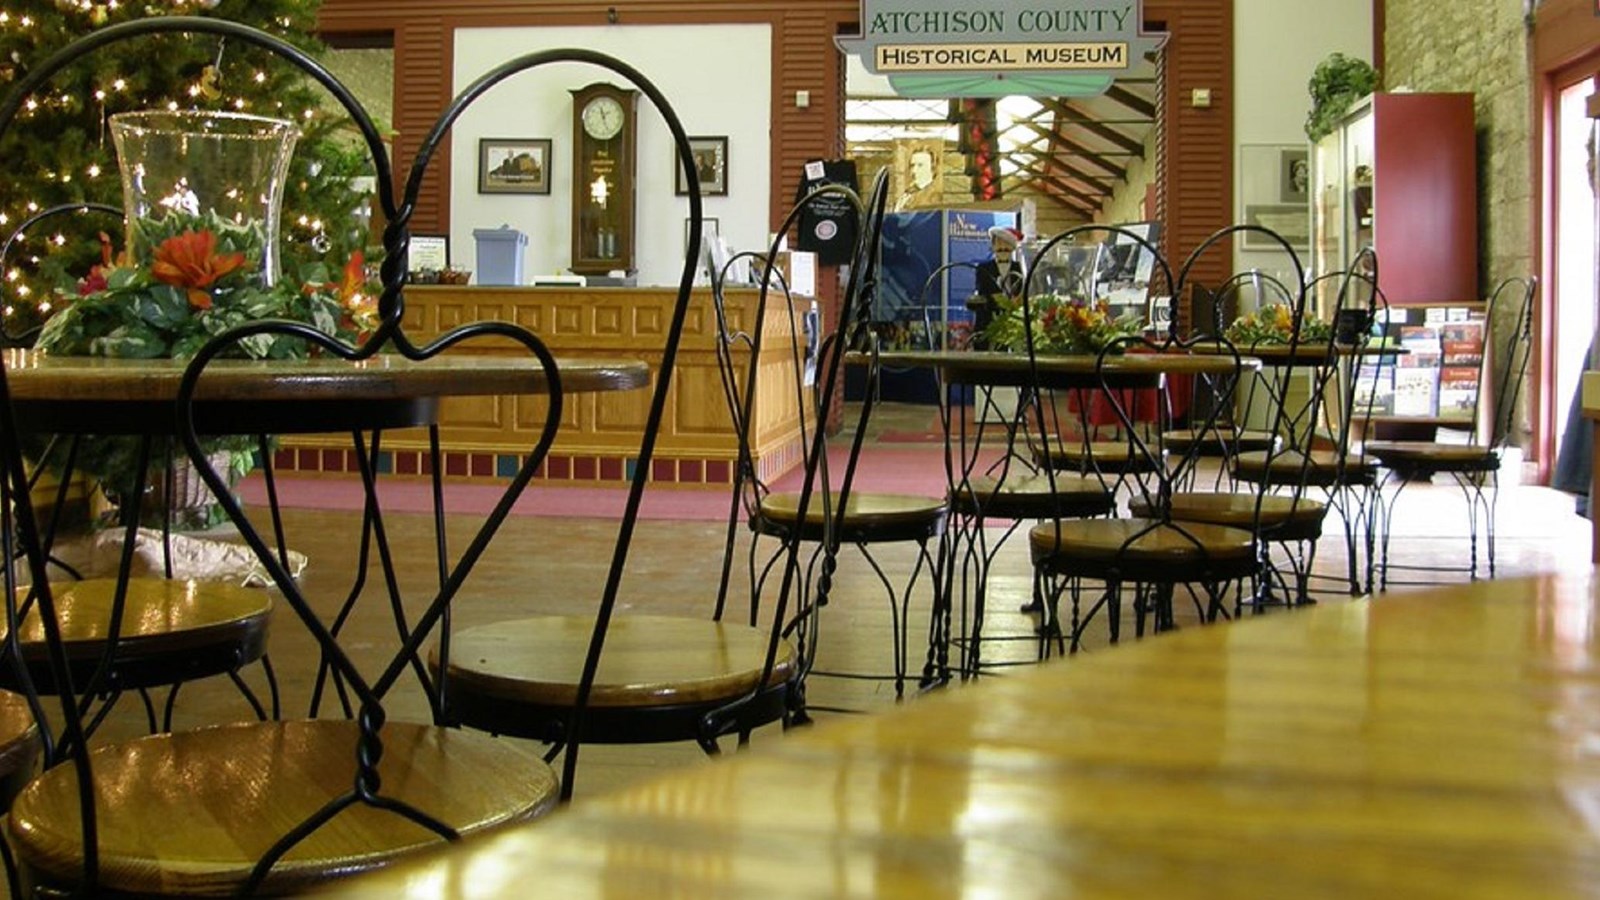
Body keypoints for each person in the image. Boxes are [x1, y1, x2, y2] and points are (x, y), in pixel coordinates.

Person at [969, 225, 1023, 349]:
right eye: (998, 245)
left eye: (1006, 246)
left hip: (1015, 325)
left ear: (1012, 247)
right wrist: (1002, 302)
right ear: (993, 247)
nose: (1002, 249)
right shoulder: (983, 269)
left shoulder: (1020, 268)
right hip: (988, 324)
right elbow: (983, 292)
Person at [894, 147, 942, 211]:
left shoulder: (934, 196)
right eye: (912, 165)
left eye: (920, 165)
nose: (914, 170)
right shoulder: (907, 193)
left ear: (932, 168)